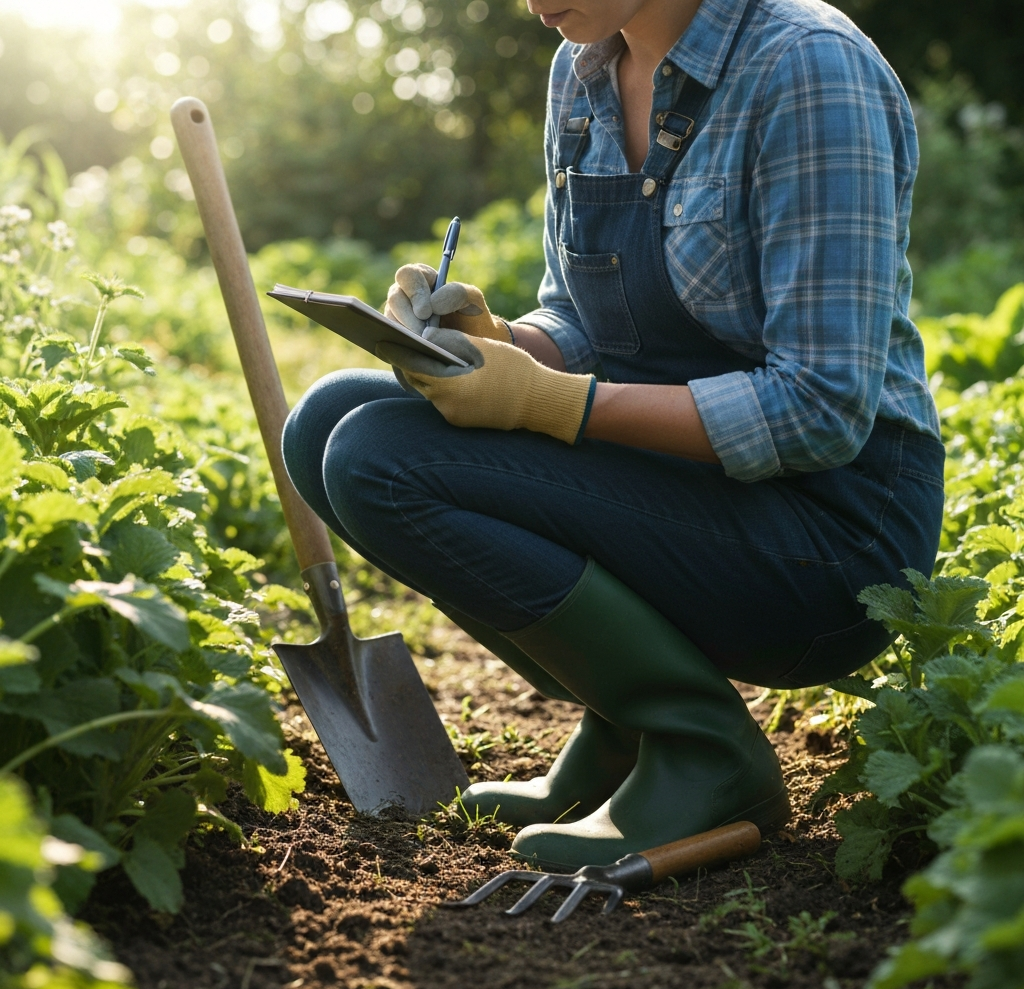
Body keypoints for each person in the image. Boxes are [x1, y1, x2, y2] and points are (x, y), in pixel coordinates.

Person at [282, 0, 944, 871]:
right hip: (679, 485)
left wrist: (553, 405)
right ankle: (624, 722)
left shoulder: (807, 70)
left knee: (381, 462)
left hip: (826, 536)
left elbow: (819, 408)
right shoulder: (584, 68)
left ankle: (703, 748)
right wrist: (501, 344)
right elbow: (587, 324)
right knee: (326, 422)